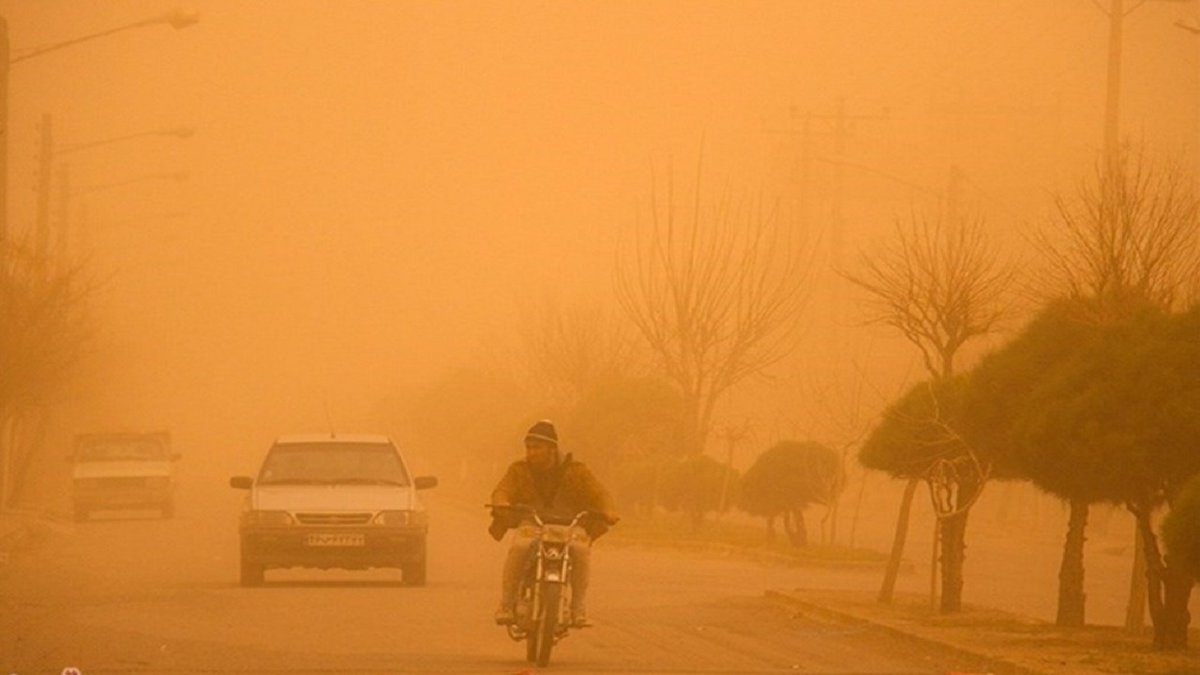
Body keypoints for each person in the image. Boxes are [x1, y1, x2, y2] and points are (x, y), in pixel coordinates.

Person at [489, 419, 617, 627]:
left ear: (552, 449)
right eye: (528, 448)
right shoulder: (518, 469)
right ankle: (506, 604)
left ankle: (578, 609)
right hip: (532, 522)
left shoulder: (577, 471)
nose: (531, 452)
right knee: (520, 547)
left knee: (580, 550)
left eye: (536, 448)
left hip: (571, 525)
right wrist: (501, 503)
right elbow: (503, 490)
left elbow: (599, 493)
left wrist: (609, 510)